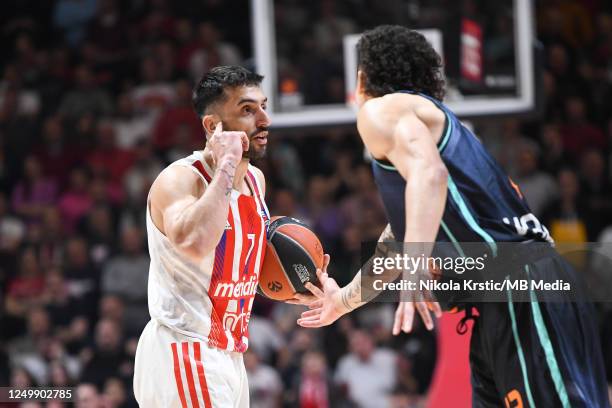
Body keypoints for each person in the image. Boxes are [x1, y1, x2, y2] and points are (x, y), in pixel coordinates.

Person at [298, 26, 610, 407]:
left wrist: (415, 267)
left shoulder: (380, 110)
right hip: (514, 294)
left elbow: (431, 177)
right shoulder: (436, 134)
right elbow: (396, 241)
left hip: (520, 287)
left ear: (362, 78)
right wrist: (342, 301)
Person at [133, 66, 305, 407]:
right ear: (212, 126)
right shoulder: (180, 180)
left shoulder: (255, 180)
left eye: (263, 107)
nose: (265, 120)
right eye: (247, 110)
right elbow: (195, 243)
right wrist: (226, 165)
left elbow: (239, 263)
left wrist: (302, 279)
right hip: (186, 347)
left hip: (230, 353)